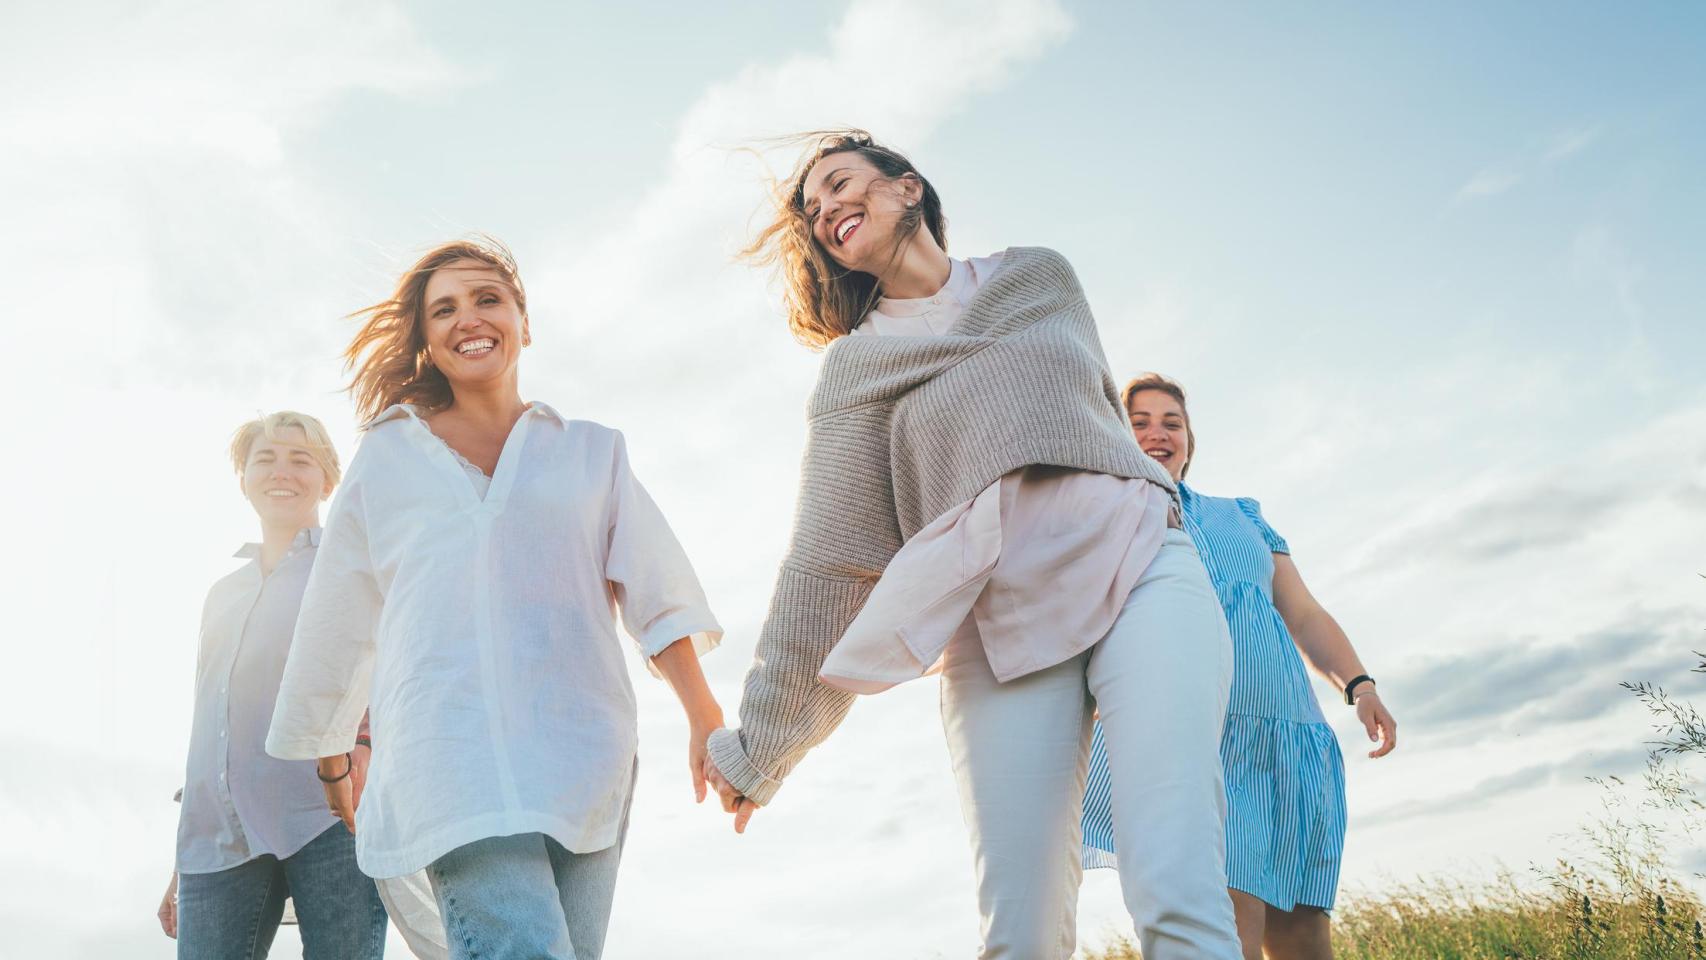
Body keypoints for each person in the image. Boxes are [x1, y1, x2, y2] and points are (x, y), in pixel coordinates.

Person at [704, 130, 1243, 959]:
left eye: (841, 184)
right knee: (1020, 930)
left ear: (908, 188)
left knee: (1176, 878)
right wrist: (762, 745)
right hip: (996, 625)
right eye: (814, 211)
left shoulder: (1037, 278)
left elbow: (1073, 416)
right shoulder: (860, 370)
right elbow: (827, 564)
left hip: (1141, 563)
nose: (827, 211)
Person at [265, 238, 724, 960]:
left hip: (583, 753)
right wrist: (333, 754)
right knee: (523, 949)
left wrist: (704, 717)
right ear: (425, 340)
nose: (467, 318)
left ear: (523, 320)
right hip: (447, 752)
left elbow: (657, 592)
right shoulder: (387, 457)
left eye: (487, 299)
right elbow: (339, 617)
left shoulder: (591, 453)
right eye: (442, 309)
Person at [1082, 373, 1399, 960]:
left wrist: (1359, 685)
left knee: (1305, 936)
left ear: (1189, 437)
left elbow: (1302, 614)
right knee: (1230, 932)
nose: (1158, 433)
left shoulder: (1243, 516)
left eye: (1171, 422)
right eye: (1140, 422)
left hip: (1289, 737)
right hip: (1201, 742)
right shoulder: (1102, 519)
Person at [161, 412, 388, 959]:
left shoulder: (353, 565)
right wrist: (179, 863)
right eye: (265, 459)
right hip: (217, 838)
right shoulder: (222, 593)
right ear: (243, 480)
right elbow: (211, 728)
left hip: (330, 818)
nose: (280, 471)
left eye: (300, 459)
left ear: (328, 480)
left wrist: (363, 749)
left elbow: (384, 672)